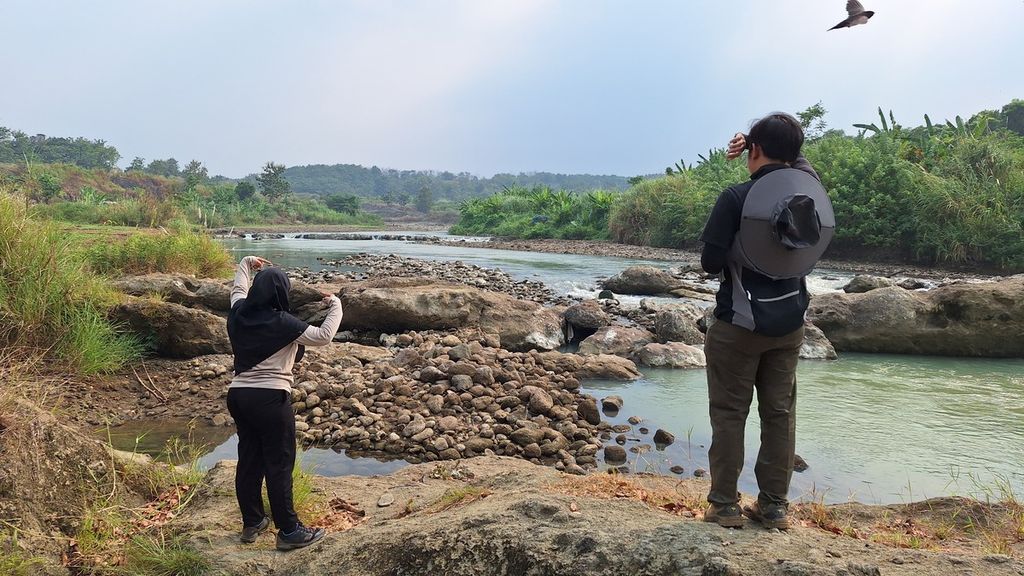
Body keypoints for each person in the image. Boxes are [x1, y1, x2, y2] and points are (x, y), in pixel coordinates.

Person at [699, 113, 822, 530]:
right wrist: (766, 142)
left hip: (738, 324)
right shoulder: (811, 196)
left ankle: (724, 506)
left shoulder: (735, 198)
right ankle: (773, 508)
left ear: (752, 150)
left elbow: (709, 262)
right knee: (779, 414)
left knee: (731, 413)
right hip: (789, 325)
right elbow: (796, 161)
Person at [225, 255, 343, 550]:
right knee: (279, 464)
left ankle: (252, 522)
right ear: (281, 293)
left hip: (238, 396)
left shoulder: (238, 312)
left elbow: (236, 289)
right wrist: (337, 305)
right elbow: (324, 336)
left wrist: (246, 263)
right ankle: (289, 532)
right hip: (270, 398)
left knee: (249, 459)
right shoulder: (283, 322)